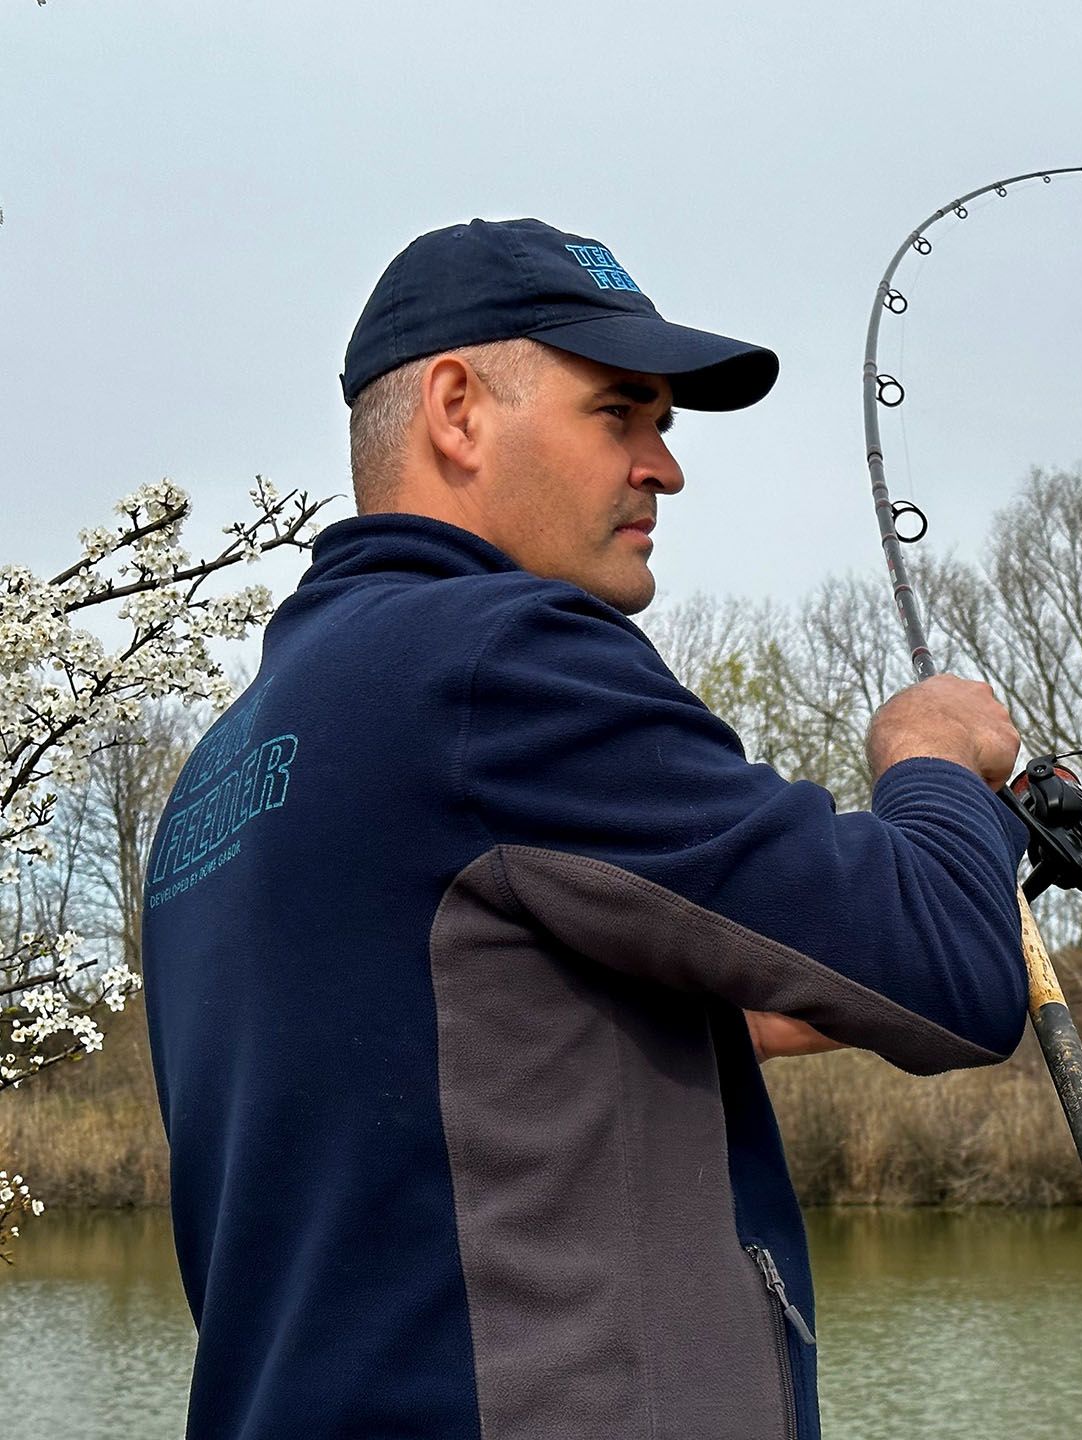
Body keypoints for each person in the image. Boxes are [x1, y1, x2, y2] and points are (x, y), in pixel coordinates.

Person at [141, 217, 1032, 1440]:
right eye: (621, 413)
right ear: (458, 410)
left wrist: (725, 1019)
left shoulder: (227, 770)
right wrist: (929, 760)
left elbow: (444, 1068)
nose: (665, 468)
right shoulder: (497, 656)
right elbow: (952, 969)